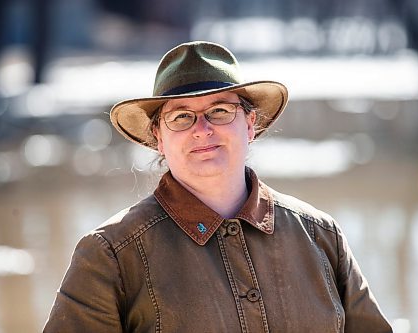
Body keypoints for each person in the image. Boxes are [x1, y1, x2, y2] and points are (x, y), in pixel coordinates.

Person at [44, 41, 392, 332]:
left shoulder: (320, 236)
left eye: (220, 111)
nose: (202, 129)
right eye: (181, 116)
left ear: (250, 123)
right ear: (158, 138)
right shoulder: (110, 255)